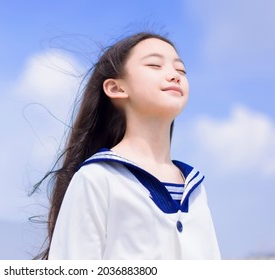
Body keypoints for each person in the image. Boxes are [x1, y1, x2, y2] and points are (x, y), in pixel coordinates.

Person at [35, 32, 221, 260]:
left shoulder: (195, 188)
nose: (174, 76)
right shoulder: (97, 178)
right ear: (116, 88)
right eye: (155, 65)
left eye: (181, 70)